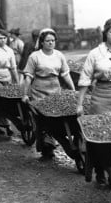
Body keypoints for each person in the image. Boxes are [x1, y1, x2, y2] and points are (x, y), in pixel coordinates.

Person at [22, 28, 76, 158]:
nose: (51, 43)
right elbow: (28, 76)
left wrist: (73, 90)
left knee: (56, 118)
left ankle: (52, 142)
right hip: (39, 90)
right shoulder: (35, 56)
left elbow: (65, 74)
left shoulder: (59, 55)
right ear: (41, 42)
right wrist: (25, 94)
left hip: (55, 89)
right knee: (43, 120)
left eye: (53, 40)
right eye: (47, 41)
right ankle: (46, 147)